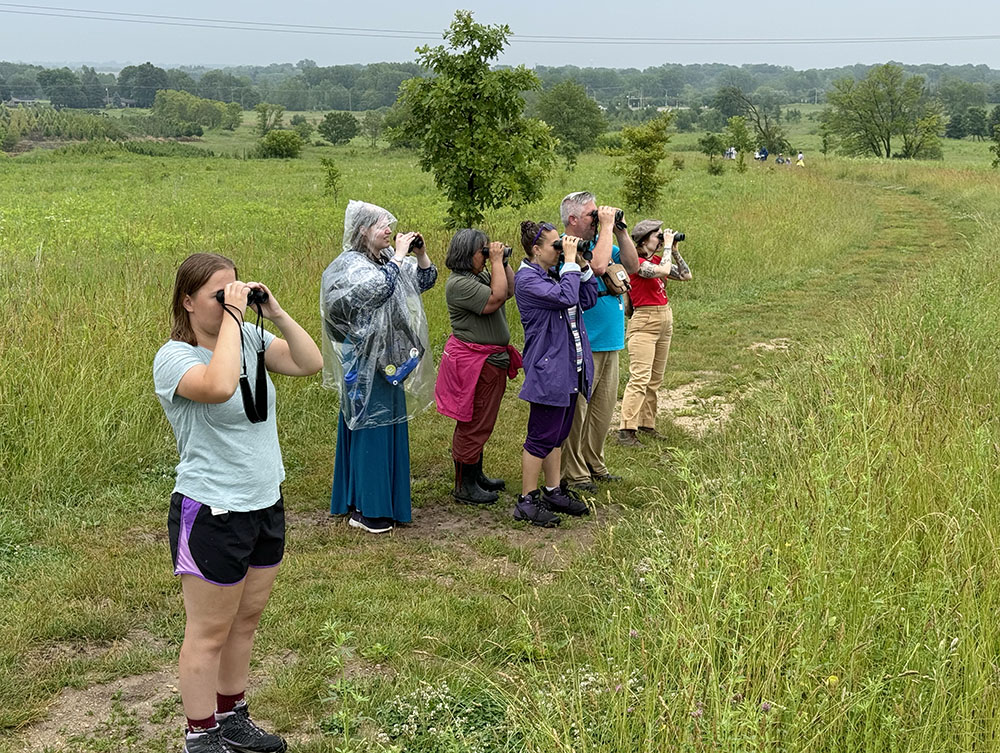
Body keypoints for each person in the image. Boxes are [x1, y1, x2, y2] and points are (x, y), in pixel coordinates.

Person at [153, 252, 323, 753]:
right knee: (208, 630)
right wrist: (233, 319)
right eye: (217, 295)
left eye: (236, 291)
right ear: (187, 302)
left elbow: (308, 362)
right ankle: (200, 733)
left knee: (245, 621)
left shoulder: (250, 337)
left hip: (264, 502)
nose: (232, 301)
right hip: (212, 509)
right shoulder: (175, 358)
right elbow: (220, 384)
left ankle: (232, 717)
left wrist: (273, 313)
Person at [321, 200, 437, 534]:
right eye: (382, 225)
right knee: (371, 428)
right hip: (365, 363)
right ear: (362, 230)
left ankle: (368, 500)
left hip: (387, 362)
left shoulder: (385, 259)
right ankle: (369, 509)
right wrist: (399, 257)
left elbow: (425, 280)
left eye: (390, 225)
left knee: (383, 427)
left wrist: (420, 254)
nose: (389, 230)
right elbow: (377, 291)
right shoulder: (349, 265)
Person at [513, 221, 598, 526]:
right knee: (541, 435)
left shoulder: (554, 273)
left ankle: (552, 490)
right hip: (548, 369)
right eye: (555, 246)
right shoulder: (526, 280)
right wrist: (571, 263)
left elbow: (587, 299)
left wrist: (582, 264)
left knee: (558, 434)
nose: (561, 251)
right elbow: (565, 297)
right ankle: (526, 500)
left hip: (570, 366)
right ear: (536, 250)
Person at [557, 191, 639, 494]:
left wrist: (620, 229)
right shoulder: (569, 248)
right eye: (593, 216)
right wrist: (606, 228)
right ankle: (574, 471)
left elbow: (630, 264)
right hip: (584, 342)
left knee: (602, 411)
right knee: (578, 412)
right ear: (574, 219)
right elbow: (601, 267)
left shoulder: (602, 241)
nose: (597, 220)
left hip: (610, 340)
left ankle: (594, 462)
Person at [435, 228, 522, 504]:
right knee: (473, 422)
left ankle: (476, 474)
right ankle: (464, 485)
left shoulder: (476, 276)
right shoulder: (459, 284)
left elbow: (508, 290)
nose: (486, 255)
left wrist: (503, 262)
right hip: (476, 363)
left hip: (487, 361)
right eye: (481, 251)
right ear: (466, 254)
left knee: (482, 420)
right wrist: (496, 261)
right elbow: (494, 299)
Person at [618, 220, 693, 446]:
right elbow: (661, 271)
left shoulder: (658, 260)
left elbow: (686, 275)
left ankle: (646, 423)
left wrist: (675, 251)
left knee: (655, 379)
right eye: (657, 235)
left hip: (664, 318)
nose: (661, 238)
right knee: (640, 377)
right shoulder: (636, 263)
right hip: (645, 321)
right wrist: (668, 246)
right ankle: (626, 430)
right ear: (644, 240)